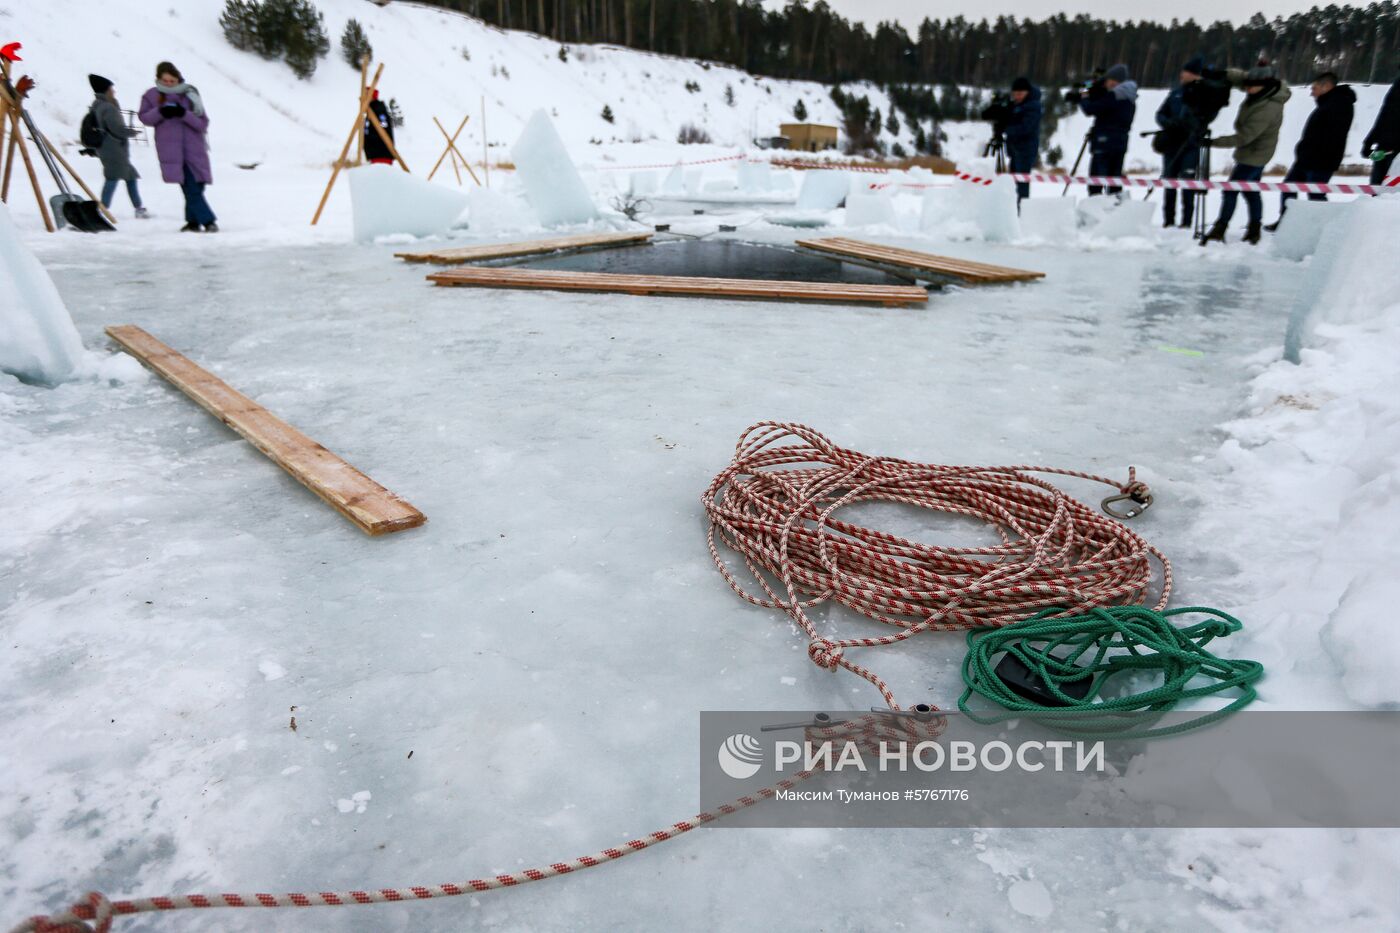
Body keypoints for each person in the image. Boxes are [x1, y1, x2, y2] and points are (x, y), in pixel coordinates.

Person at [1200, 62, 1289, 246]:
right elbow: (1241, 77)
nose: (1247, 89)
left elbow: (1245, 137)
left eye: (1251, 86)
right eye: (1247, 85)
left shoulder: (1268, 107)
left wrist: (1213, 142)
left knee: (1231, 190)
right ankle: (1254, 229)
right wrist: (1222, 72)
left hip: (1255, 154)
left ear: (1265, 85)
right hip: (1252, 151)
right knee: (1251, 191)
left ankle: (1220, 227)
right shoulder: (1262, 89)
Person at [1268, 72, 1354, 230]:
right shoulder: (1329, 103)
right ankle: (1286, 222)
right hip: (1306, 159)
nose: (1311, 92)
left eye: (1314, 88)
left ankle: (1323, 226)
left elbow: (1333, 136)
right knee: (1289, 188)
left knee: (1315, 195)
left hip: (1320, 161)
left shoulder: (1340, 104)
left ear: (1326, 86)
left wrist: (1313, 153)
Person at [139, 61, 217, 232]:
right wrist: (160, 111)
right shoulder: (151, 95)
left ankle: (193, 222)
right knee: (190, 187)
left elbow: (202, 124)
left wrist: (183, 114)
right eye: (165, 81)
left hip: (194, 150)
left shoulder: (190, 95)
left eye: (171, 81)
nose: (168, 84)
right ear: (158, 79)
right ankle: (208, 221)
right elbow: (144, 118)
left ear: (178, 79)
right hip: (171, 152)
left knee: (196, 186)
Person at [1154, 57, 1215, 228]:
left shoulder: (1203, 94)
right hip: (1171, 145)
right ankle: (1168, 220)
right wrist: (1169, 123)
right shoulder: (1175, 93)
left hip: (1190, 145)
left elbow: (1206, 117)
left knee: (1188, 182)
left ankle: (1187, 222)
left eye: (1185, 71)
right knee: (1169, 182)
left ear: (1194, 74)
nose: (1182, 74)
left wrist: (1191, 127)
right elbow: (1160, 114)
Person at [1070, 63, 1137, 197]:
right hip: (1120, 143)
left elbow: (1090, 109)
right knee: (1114, 182)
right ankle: (1115, 211)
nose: (1106, 84)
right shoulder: (1129, 97)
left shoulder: (1114, 95)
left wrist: (1083, 94)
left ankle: (1097, 212)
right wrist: (1094, 83)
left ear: (1115, 81)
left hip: (1104, 143)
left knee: (1096, 183)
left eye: (1108, 80)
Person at [86, 74, 147, 218]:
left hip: (108, 148)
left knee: (130, 176)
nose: (113, 91)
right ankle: (102, 210)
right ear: (106, 90)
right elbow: (117, 129)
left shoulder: (97, 105)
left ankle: (139, 208)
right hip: (114, 149)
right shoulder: (108, 107)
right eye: (111, 89)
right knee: (112, 178)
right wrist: (132, 132)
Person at [1003, 77, 1042, 205]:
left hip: (1025, 150)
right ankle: (1012, 207)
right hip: (1014, 148)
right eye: (1015, 94)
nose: (1017, 97)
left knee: (1022, 183)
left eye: (1020, 94)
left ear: (1027, 92)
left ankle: (1022, 208)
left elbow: (1026, 127)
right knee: (1013, 181)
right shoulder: (1017, 105)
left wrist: (1007, 129)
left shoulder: (1033, 106)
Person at [1362, 69, 1399, 185]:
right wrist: (1369, 142)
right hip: (1384, 148)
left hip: (1395, 152)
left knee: (1390, 195)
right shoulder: (1396, 86)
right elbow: (1384, 116)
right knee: (1376, 192)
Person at [364, 90, 395, 165]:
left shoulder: (379, 110)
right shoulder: (372, 111)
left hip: (381, 153)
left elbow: (384, 127)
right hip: (375, 153)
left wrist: (371, 139)